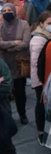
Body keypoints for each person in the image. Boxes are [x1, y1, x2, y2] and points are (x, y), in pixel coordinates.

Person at [0, 3, 31, 124]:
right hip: (3, 64)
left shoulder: (23, 24)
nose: (6, 12)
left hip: (19, 63)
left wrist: (8, 47)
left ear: (14, 11)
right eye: (4, 11)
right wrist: (15, 43)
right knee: (4, 92)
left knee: (20, 92)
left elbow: (25, 43)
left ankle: (22, 114)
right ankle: (6, 116)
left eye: (9, 10)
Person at [31, 11, 51, 142]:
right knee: (42, 106)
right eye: (49, 23)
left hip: (44, 80)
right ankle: (41, 133)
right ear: (41, 24)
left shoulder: (46, 37)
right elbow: (36, 63)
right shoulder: (40, 39)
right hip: (41, 80)